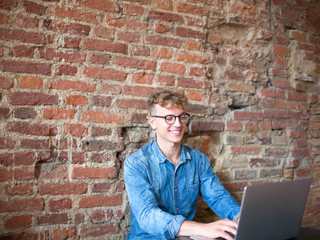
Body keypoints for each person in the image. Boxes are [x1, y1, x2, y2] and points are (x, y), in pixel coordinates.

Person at [124, 90, 240, 240]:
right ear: (153, 122)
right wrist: (203, 228)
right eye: (169, 118)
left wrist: (239, 217)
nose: (178, 124)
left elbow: (217, 197)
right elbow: (147, 215)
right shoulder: (136, 163)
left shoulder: (199, 160)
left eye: (182, 117)